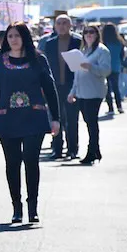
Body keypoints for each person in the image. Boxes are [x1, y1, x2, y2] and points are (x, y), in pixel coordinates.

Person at [0, 23, 60, 224]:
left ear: (25, 37)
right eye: (10, 36)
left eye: (17, 35)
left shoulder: (38, 60)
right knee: (12, 164)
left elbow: (50, 89)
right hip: (7, 118)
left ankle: (33, 207)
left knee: (31, 160)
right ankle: (17, 207)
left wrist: (56, 118)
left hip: (34, 118)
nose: (13, 39)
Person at [67, 26, 111, 165]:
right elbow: (77, 74)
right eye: (86, 32)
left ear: (97, 34)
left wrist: (91, 67)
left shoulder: (102, 51)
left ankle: (91, 152)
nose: (88, 35)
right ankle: (96, 150)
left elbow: (106, 71)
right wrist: (72, 92)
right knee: (88, 122)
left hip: (94, 92)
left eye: (92, 32)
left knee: (92, 123)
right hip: (82, 92)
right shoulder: (83, 51)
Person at [40, 16, 82, 160]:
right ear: (55, 26)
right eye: (59, 23)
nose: (62, 26)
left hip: (72, 85)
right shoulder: (50, 44)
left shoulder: (78, 41)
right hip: (54, 86)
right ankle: (57, 148)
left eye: (65, 23)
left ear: (70, 25)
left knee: (72, 118)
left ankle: (72, 149)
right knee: (56, 118)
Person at [101, 23, 126, 114]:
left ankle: (111, 108)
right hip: (116, 66)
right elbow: (122, 55)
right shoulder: (120, 42)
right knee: (116, 88)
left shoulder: (104, 43)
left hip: (105, 67)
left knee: (107, 88)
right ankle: (119, 106)